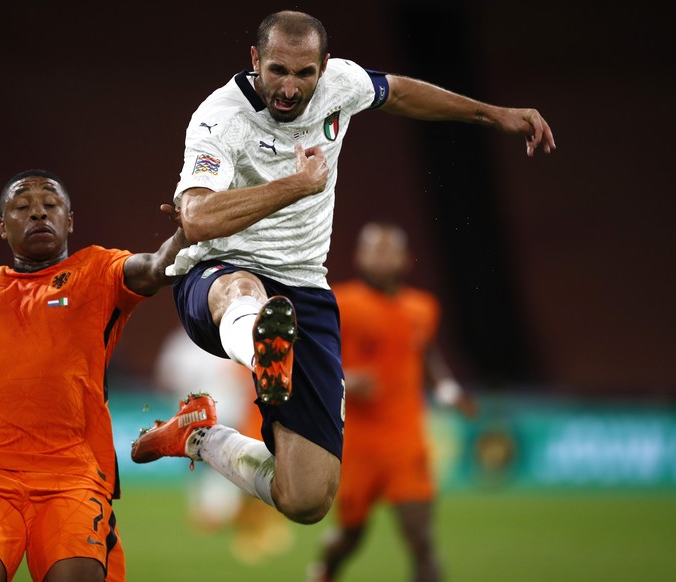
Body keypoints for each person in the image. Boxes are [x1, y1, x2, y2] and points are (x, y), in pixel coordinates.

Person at [130, 10, 555, 526]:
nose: (289, 87)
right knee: (244, 288)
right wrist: (296, 184)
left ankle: (198, 435)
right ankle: (261, 349)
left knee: (306, 497)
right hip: (218, 277)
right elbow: (195, 218)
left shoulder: (342, 84)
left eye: (304, 73)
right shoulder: (220, 118)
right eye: (278, 71)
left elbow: (397, 91)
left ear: (324, 67)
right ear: (255, 61)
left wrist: (494, 115)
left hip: (304, 291)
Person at [0, 169, 187, 582]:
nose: (38, 214)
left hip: (73, 474)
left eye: (50, 205)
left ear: (70, 220)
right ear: (3, 228)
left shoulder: (98, 270)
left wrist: (188, 229)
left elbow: (156, 267)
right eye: (23, 208)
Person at [307, 222, 477, 582]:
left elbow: (425, 354)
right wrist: (345, 380)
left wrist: (448, 390)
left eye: (388, 250)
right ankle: (324, 570)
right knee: (350, 537)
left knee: (421, 539)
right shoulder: (339, 303)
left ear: (404, 259)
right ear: (358, 256)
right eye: (373, 249)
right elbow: (311, 358)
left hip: (405, 440)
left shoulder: (423, 308)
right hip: (355, 443)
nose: (381, 257)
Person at [153, 327, 294, 563]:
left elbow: (168, 379)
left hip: (218, 416)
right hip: (212, 417)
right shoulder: (217, 340)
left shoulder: (193, 342)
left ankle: (224, 515)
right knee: (227, 468)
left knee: (224, 468)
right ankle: (229, 517)